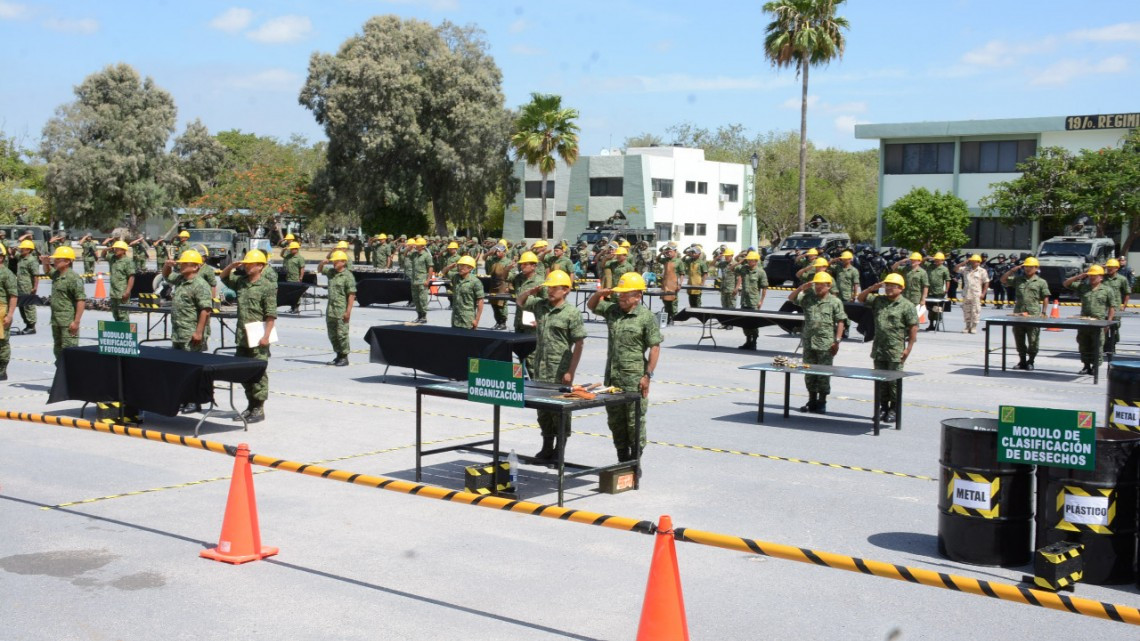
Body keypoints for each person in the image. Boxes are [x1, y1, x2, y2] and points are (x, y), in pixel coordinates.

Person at [587, 272, 662, 463]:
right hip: (612, 377)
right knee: (615, 420)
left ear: (638, 295)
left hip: (634, 378)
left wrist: (648, 376)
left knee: (634, 421)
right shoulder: (613, 310)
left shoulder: (646, 317)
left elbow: (654, 347)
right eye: (619, 294)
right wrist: (600, 293)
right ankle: (622, 458)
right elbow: (592, 306)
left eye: (625, 294)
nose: (621, 297)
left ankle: (635, 460)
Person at [518, 269, 586, 461]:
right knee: (543, 411)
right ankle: (546, 447)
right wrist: (532, 291)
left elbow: (579, 343)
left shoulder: (571, 313)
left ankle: (559, 451)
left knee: (560, 412)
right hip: (540, 368)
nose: (550, 291)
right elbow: (520, 301)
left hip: (560, 369)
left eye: (554, 288)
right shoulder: (540, 306)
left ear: (565, 290)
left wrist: (571, 371)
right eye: (548, 288)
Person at [221, 250, 277, 423]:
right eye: (245, 264)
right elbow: (223, 278)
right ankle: (250, 405)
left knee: (258, 374)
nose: (246, 266)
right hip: (243, 336)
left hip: (258, 336)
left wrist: (266, 336)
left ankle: (259, 408)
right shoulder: (241, 282)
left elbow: (270, 315)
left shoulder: (267, 286)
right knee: (244, 372)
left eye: (249, 264)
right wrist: (231, 266)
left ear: (260, 266)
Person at [856, 273, 918, 423]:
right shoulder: (879, 300)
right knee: (880, 381)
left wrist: (908, 348)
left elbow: (913, 327)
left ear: (901, 288)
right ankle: (882, 407)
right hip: (879, 348)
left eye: (893, 286)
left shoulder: (907, 305)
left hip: (895, 349)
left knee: (894, 381)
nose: (889, 288)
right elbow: (860, 298)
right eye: (887, 285)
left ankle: (894, 409)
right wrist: (873, 287)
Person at [790, 272, 847, 414]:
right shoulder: (808, 298)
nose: (818, 288)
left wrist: (837, 341)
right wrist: (802, 288)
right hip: (809, 343)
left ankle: (822, 401)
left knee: (824, 373)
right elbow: (791, 298)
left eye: (821, 285)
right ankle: (811, 399)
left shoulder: (835, 301)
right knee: (809, 372)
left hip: (826, 344)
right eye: (816, 285)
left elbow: (841, 322)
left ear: (828, 286)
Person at [1064, 264, 1117, 375]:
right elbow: (1066, 284)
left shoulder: (1107, 290)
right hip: (1084, 322)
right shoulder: (1084, 287)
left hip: (1099, 322)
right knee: (1084, 344)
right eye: (1091, 276)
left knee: (1097, 346)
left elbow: (1112, 307)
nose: (1092, 278)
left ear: (1101, 277)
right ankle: (1086, 366)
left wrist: (1108, 323)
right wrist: (1079, 276)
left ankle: (1095, 367)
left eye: (1095, 276)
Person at [1001, 256, 1049, 371]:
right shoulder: (1018, 279)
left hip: (1033, 314)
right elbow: (1003, 280)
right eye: (1026, 267)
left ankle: (1031, 361)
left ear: (1036, 268)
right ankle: (1022, 361)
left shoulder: (1041, 282)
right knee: (1019, 338)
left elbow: (1046, 297)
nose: (1028, 269)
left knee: (1033, 340)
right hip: (1019, 313)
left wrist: (1043, 312)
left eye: (1030, 267)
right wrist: (1013, 270)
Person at [40, 246, 85, 361]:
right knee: (58, 349)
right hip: (56, 320)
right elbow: (48, 271)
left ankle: (71, 376)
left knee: (69, 350)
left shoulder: (73, 278)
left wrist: (76, 322)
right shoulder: (57, 274)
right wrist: (45, 263)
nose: (54, 261)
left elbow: (80, 300)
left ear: (67, 261)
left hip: (67, 322)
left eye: (57, 259)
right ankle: (61, 374)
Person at [319, 250, 356, 366]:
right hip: (330, 309)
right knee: (332, 334)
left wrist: (348, 312)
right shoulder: (331, 272)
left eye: (336, 261)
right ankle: (338, 355)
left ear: (343, 262)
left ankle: (344, 357)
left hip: (341, 310)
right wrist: (322, 263)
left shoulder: (348, 276)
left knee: (342, 334)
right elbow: (320, 270)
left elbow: (351, 295)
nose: (334, 263)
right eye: (333, 261)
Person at [734, 250, 769, 350]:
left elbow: (764, 288)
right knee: (745, 322)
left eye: (751, 260)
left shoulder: (761, 272)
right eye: (748, 260)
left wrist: (761, 301)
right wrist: (742, 260)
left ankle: (754, 342)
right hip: (745, 300)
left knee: (753, 323)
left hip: (754, 301)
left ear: (756, 261)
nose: (749, 262)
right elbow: (731, 268)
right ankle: (748, 341)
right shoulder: (744, 269)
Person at [955, 254, 989, 334]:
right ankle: (967, 326)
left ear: (979, 262)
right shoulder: (965, 269)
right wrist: (964, 262)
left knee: (975, 310)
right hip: (967, 293)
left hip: (976, 293)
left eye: (975, 262)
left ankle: (974, 327)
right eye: (972, 261)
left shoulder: (982, 271)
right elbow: (955, 269)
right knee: (966, 310)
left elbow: (986, 282)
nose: (974, 263)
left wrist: (983, 293)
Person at [1104, 258, 1130, 356]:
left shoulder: (1122, 279)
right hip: (1104, 308)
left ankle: (1112, 345)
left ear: (1116, 268)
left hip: (1115, 308)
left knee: (1115, 328)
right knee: (1103, 327)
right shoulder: (1102, 278)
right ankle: (1105, 346)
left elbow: (1127, 293)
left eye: (1111, 267)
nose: (1109, 269)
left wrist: (1124, 305)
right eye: (1108, 267)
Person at [450, 255, 484, 329]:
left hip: (468, 319)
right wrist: (449, 267)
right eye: (459, 266)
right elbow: (442, 273)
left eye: (463, 266)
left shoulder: (475, 282)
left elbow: (480, 302)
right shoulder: (456, 278)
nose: (460, 268)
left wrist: (476, 320)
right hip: (456, 317)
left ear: (470, 268)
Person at [106, 240, 136, 323]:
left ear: (123, 250)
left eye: (118, 249)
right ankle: (118, 333)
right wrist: (108, 249)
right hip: (113, 292)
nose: (115, 250)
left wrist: (127, 292)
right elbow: (103, 255)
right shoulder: (112, 258)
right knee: (115, 315)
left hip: (122, 293)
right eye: (115, 249)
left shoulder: (128, 261)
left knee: (123, 316)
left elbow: (131, 277)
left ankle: (125, 333)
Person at [14, 239, 39, 335]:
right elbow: (13, 253)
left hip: (28, 286)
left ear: (28, 250)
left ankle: (31, 326)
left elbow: (36, 275)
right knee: (21, 305)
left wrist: (35, 287)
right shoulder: (21, 257)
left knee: (28, 306)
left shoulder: (32, 260)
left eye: (23, 248)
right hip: (19, 286)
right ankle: (27, 324)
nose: (21, 250)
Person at [484, 244, 511, 330]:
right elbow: (484, 258)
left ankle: (503, 322)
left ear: (504, 252)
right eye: (497, 251)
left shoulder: (507, 261)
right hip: (493, 284)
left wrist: (508, 286)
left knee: (501, 304)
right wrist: (489, 253)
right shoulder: (493, 259)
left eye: (500, 251)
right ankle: (497, 322)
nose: (497, 253)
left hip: (503, 285)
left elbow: (511, 275)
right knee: (494, 304)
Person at [407, 238, 434, 324]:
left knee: (422, 299)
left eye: (417, 244)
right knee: (416, 299)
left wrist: (428, 280)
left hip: (422, 281)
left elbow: (430, 268)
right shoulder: (414, 254)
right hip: (414, 280)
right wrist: (409, 247)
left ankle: (424, 317)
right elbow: (405, 254)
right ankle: (419, 316)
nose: (415, 246)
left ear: (422, 246)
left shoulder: (426, 255)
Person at [0, 245, 16, 380]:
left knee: (2, 341)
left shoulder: (7, 274)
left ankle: (2, 370)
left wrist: (9, 315)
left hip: (2, 309)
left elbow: (13, 296)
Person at [924, 252, 951, 331]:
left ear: (942, 261)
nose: (937, 261)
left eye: (938, 260)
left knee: (938, 309)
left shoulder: (944, 269)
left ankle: (937, 325)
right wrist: (928, 257)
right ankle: (931, 324)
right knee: (930, 308)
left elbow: (947, 280)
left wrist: (946, 289)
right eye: (936, 260)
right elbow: (921, 262)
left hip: (939, 292)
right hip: (930, 291)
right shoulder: (930, 266)